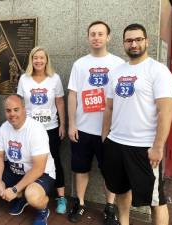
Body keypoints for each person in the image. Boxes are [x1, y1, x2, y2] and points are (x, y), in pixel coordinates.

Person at [101, 23, 172, 225]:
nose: (133, 43)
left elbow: (166, 111)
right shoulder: (116, 72)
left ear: (146, 41)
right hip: (116, 144)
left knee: (155, 200)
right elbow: (109, 107)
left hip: (144, 148)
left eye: (138, 39)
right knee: (121, 191)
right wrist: (105, 137)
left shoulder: (158, 71)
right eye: (129, 40)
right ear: (124, 43)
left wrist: (158, 147)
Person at [67, 21, 124, 224]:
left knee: (109, 170)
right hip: (82, 128)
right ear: (88, 37)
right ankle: (80, 203)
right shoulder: (79, 64)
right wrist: (72, 124)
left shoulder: (118, 64)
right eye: (93, 34)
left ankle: (110, 207)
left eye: (101, 34)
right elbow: (73, 95)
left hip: (109, 131)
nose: (96, 37)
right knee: (80, 169)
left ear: (108, 37)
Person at [0, 94, 56, 225]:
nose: (12, 114)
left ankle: (42, 210)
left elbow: (38, 168)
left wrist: (14, 189)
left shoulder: (36, 129)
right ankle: (21, 197)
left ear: (24, 109)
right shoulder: (4, 128)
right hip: (15, 171)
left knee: (33, 196)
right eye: (8, 111)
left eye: (16, 109)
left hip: (41, 173)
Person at [17, 46, 67, 214]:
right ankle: (26, 194)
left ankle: (60, 197)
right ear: (31, 60)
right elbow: (20, 104)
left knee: (54, 160)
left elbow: (60, 102)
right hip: (29, 130)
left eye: (41, 58)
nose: (38, 61)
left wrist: (63, 124)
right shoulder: (24, 79)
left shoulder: (55, 78)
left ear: (46, 60)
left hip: (50, 128)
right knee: (29, 161)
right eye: (35, 58)